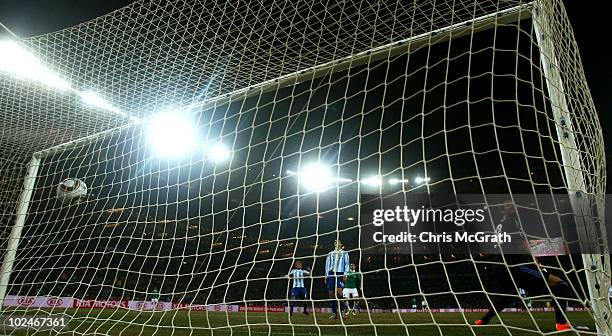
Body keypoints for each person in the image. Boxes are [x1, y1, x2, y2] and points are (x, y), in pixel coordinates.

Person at [474, 201, 588, 331]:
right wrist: (536, 261)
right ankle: (561, 324)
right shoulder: (512, 223)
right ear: (502, 210)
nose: (512, 207)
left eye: (513, 205)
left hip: (501, 268)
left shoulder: (499, 225)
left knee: (509, 296)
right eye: (508, 205)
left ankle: (483, 320)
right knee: (561, 284)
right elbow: (523, 246)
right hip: (515, 266)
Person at [325, 240, 350, 319]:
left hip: (340, 273)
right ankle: (334, 313)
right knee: (331, 293)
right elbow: (327, 264)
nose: (336, 243)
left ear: (341, 244)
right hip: (331, 273)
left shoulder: (345, 253)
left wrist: (345, 274)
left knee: (339, 292)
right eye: (335, 242)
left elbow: (347, 264)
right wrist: (326, 275)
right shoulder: (330, 253)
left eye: (338, 241)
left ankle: (343, 312)